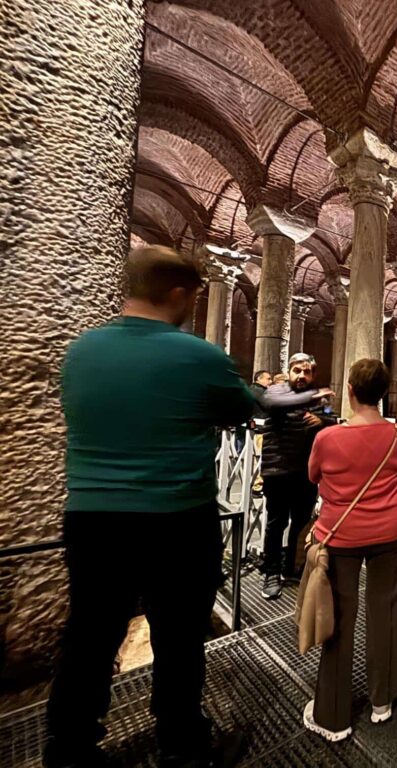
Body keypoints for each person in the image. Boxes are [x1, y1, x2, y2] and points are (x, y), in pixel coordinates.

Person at [46, 246, 255, 768]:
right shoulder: (197, 354)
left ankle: (68, 750)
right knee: (179, 636)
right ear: (180, 294)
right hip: (176, 517)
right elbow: (239, 410)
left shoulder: (82, 351)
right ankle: (183, 746)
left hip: (92, 517)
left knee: (89, 636)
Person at [304, 359, 397, 742]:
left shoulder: (328, 438)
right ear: (382, 394)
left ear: (350, 389)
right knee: (385, 611)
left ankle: (333, 715)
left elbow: (314, 475)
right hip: (393, 530)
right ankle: (381, 701)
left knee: (338, 618)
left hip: (341, 534)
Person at [259, 353, 335, 599]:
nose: (302, 376)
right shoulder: (277, 391)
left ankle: (291, 567)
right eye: (297, 371)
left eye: (307, 372)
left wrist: (321, 420)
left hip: (306, 472)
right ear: (289, 371)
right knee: (276, 523)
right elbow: (272, 405)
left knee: (301, 524)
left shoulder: (316, 400)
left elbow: (332, 420)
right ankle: (271, 572)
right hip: (278, 471)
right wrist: (313, 396)